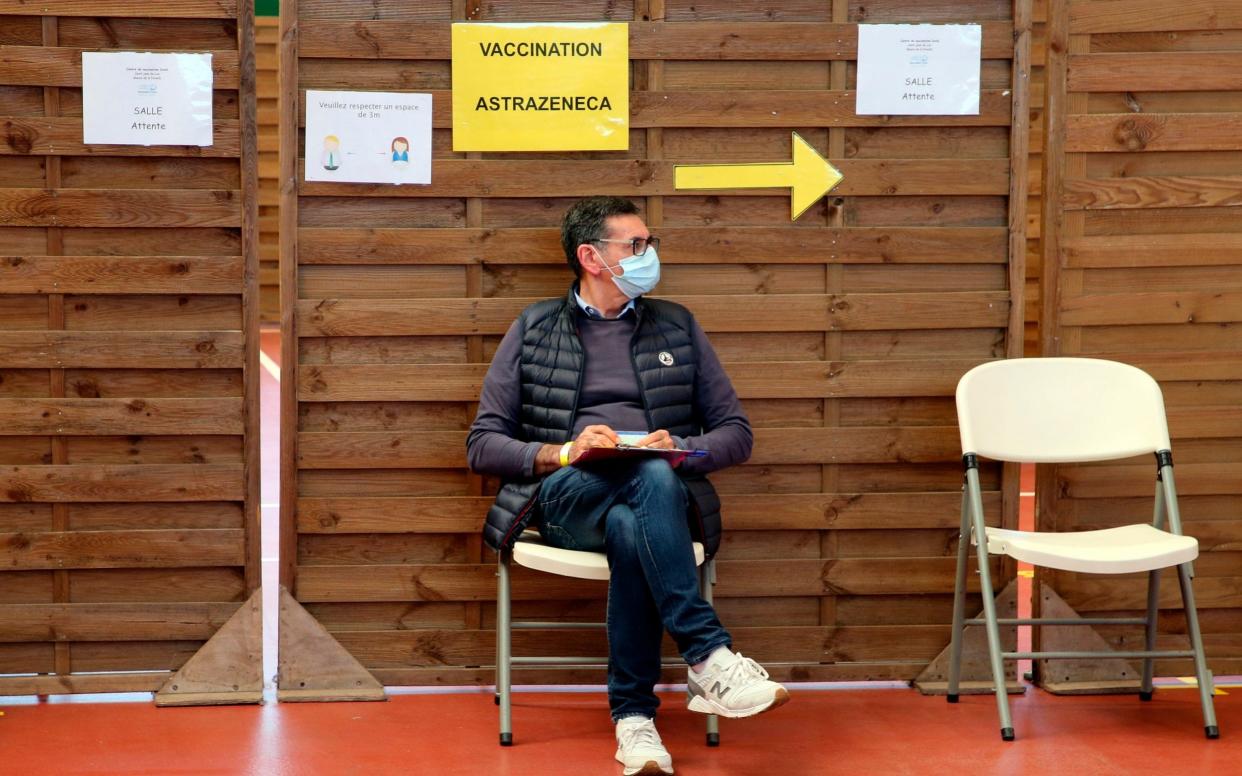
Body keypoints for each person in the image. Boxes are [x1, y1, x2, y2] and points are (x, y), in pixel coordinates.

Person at [467, 196, 789, 776]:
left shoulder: (677, 324)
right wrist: (566, 451)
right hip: (568, 498)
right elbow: (483, 443)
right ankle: (707, 656)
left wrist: (681, 452)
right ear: (592, 257)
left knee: (636, 504)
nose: (650, 255)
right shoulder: (534, 327)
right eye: (636, 245)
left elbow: (736, 433)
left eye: (649, 243)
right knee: (642, 479)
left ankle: (635, 723)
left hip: (655, 497)